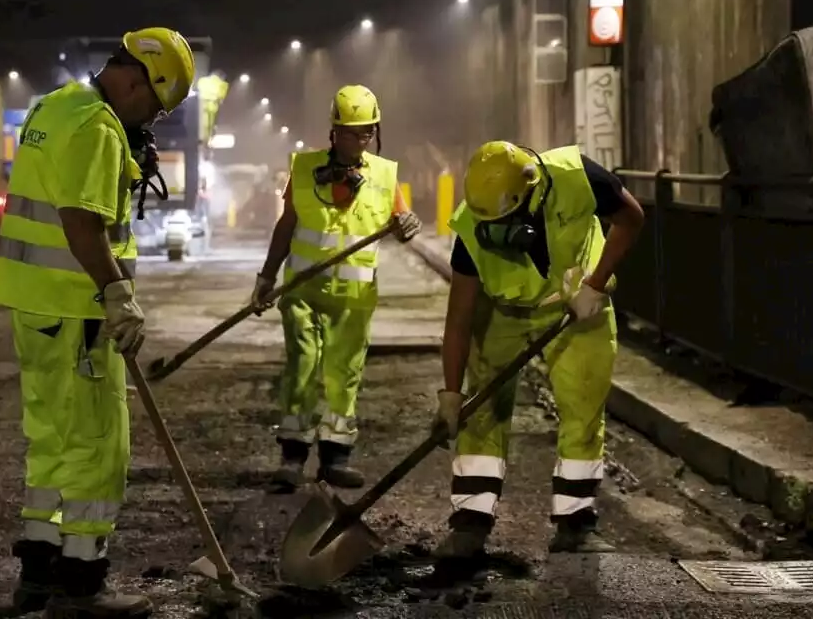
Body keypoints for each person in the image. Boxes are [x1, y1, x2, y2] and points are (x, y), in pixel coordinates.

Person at [0, 27, 194, 618]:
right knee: (100, 444)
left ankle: (38, 572)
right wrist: (118, 294)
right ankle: (82, 584)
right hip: (78, 308)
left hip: (34, 302)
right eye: (153, 103)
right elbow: (83, 223)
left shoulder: (54, 106)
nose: (150, 115)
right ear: (133, 78)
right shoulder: (98, 128)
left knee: (50, 439)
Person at [432, 140, 645, 558]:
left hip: (577, 306)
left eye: (505, 221)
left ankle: (576, 523)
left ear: (530, 195)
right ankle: (470, 523)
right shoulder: (472, 232)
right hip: (504, 311)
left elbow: (632, 219)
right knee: (482, 410)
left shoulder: (578, 177)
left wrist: (596, 284)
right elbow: (457, 321)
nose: (495, 233)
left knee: (582, 407)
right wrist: (452, 395)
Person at [250, 85, 422, 491]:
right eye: (350, 132)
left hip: (354, 299)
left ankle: (335, 457)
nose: (358, 140)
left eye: (365, 132)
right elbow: (286, 225)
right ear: (334, 132)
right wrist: (266, 278)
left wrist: (408, 224)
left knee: (344, 375)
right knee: (303, 369)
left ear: (375, 132)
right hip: (303, 294)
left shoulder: (383, 175)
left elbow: (402, 222)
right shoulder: (306, 169)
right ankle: (292, 456)